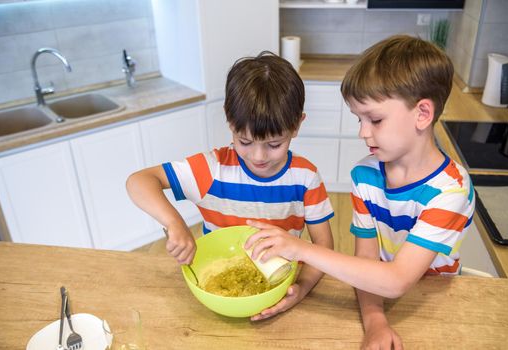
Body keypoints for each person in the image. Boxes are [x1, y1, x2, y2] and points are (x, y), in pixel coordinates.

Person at [244, 35, 475, 349]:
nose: (363, 132)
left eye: (375, 119)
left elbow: (397, 279)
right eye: (359, 119)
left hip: (437, 305)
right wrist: (374, 319)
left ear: (422, 114)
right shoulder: (365, 176)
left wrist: (300, 250)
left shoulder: (450, 191)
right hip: (378, 291)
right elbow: (366, 262)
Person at [126, 51, 334, 321]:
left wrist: (302, 288)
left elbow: (324, 246)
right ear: (229, 120)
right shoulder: (212, 170)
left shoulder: (305, 177)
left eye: (274, 144)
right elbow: (139, 181)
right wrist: (175, 223)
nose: (259, 157)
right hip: (219, 294)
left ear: (296, 126)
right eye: (244, 141)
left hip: (280, 288)